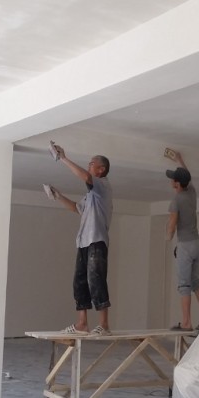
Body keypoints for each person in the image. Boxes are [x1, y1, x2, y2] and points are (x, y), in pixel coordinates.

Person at [49, 142, 114, 336]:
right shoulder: (90, 196)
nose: (89, 166)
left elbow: (86, 177)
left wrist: (63, 158)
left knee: (96, 280)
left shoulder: (103, 186)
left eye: (91, 163)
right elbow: (76, 208)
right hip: (84, 242)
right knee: (79, 282)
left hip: (96, 241)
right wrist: (58, 196)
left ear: (101, 169)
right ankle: (82, 324)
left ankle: (104, 325)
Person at [165, 149, 199, 332]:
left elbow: (172, 223)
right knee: (195, 281)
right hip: (197, 243)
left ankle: (186, 323)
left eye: (173, 179)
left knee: (184, 285)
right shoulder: (191, 192)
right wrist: (179, 159)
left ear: (176, 184)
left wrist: (168, 237)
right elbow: (188, 176)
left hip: (185, 245)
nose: (171, 180)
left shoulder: (176, 201)